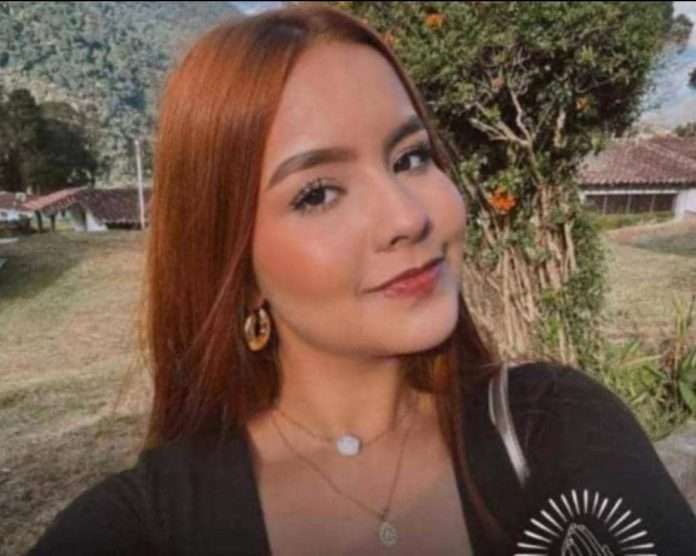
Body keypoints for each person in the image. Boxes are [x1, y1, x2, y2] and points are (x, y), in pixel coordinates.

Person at [29, 5, 696, 556]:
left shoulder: (556, 429)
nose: (407, 217)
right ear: (235, 265)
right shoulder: (143, 530)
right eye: (318, 193)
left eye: (411, 157)